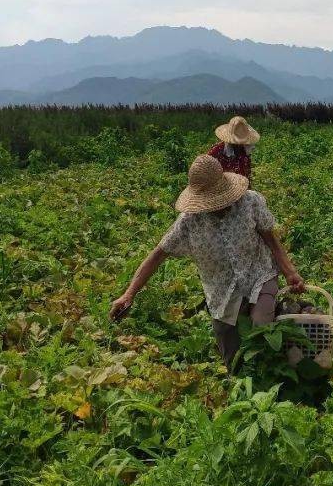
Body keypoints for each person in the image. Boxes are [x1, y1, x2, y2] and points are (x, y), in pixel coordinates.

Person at [109, 154, 304, 370]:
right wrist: (129, 294)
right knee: (233, 360)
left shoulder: (250, 202)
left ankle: (273, 374)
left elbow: (271, 239)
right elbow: (157, 255)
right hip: (221, 294)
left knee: (262, 330)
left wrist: (290, 272)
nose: (219, 207)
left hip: (259, 275)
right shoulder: (188, 222)